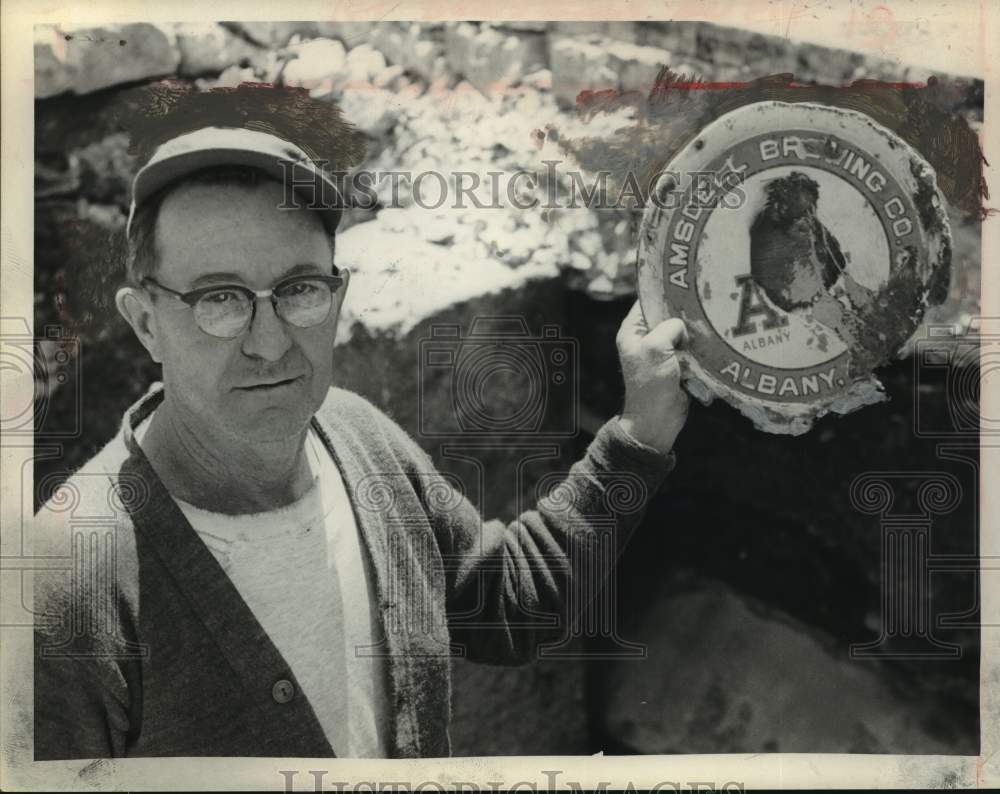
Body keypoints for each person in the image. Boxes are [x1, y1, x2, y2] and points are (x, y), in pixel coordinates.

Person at [33, 124, 690, 760]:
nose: (270, 342)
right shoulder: (71, 577)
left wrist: (638, 432)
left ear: (338, 295)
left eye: (299, 290)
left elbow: (505, 603)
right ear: (146, 322)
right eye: (219, 299)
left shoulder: (357, 437)